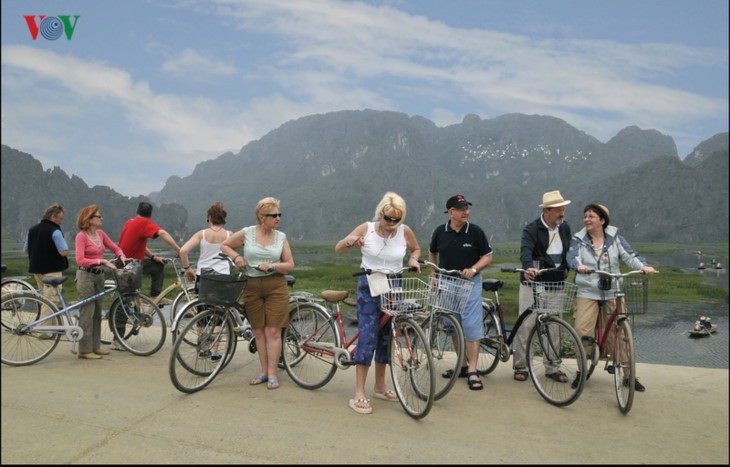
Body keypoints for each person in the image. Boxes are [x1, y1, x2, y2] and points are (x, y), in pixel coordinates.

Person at [335, 192, 422, 414]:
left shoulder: (405, 231)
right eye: (388, 219)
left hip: (394, 284)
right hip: (370, 283)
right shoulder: (366, 228)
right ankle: (359, 392)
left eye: (396, 220)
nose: (391, 224)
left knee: (387, 335)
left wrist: (413, 259)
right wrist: (350, 241)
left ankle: (380, 386)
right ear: (380, 213)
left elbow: (416, 248)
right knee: (368, 335)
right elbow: (339, 248)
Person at [567, 203, 656, 392]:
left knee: (621, 333)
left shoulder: (616, 239)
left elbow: (630, 256)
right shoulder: (578, 239)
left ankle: (628, 375)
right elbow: (572, 257)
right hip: (587, 291)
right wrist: (579, 266)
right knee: (582, 331)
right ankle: (582, 371)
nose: (587, 220)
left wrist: (643, 267)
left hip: (613, 290)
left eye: (591, 216)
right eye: (585, 216)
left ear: (602, 220)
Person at [220, 197, 295, 390]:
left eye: (279, 214)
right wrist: (236, 257)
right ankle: (263, 371)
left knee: (273, 330)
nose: (278, 218)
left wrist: (273, 265)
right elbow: (225, 245)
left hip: (276, 286)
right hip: (252, 285)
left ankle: (272, 373)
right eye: (273, 215)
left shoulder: (281, 237)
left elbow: (290, 265)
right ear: (262, 217)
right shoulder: (247, 233)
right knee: (259, 331)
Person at [428, 195, 492, 391]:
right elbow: (432, 252)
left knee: (471, 327)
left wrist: (474, 269)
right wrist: (434, 275)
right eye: (461, 208)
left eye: (467, 208)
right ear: (451, 212)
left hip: (469, 283)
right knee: (453, 325)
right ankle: (462, 366)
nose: (466, 212)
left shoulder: (475, 231)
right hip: (447, 282)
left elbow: (487, 256)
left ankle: (473, 370)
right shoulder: (440, 231)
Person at [512, 190, 573, 383]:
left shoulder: (564, 228)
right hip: (533, 284)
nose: (562, 213)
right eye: (558, 210)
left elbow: (569, 252)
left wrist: (567, 269)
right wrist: (528, 267)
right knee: (527, 325)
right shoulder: (531, 229)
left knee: (554, 326)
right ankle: (521, 366)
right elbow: (525, 251)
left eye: (563, 209)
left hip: (556, 283)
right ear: (546, 211)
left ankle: (552, 367)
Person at [178, 202, 233, 361]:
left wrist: (188, 268)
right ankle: (215, 352)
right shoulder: (230, 235)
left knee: (202, 314)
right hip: (222, 278)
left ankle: (203, 349)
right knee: (218, 314)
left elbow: (183, 251)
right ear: (224, 218)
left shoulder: (201, 234)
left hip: (204, 277)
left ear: (209, 218)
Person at [74, 205, 128, 359]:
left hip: (99, 276)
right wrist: (101, 260)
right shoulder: (81, 237)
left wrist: (121, 255)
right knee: (87, 312)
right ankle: (84, 350)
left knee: (98, 312)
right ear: (89, 219)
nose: (101, 218)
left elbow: (115, 247)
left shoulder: (101, 234)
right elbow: (80, 260)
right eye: (98, 216)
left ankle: (95, 346)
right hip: (86, 276)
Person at [118, 201, 181, 302]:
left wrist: (153, 257)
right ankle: (155, 296)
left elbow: (139, 246)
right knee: (129, 298)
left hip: (123, 263)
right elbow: (162, 233)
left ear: (137, 211)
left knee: (157, 265)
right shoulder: (144, 222)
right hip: (131, 265)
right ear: (151, 214)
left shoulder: (129, 222)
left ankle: (155, 297)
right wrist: (179, 250)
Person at [24, 203, 69, 338]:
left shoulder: (31, 230)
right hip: (52, 270)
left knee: (46, 297)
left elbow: (26, 251)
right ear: (53, 217)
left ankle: (54, 328)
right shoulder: (55, 231)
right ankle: (43, 331)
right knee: (51, 299)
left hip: (37, 270)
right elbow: (64, 252)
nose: (61, 221)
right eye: (60, 218)